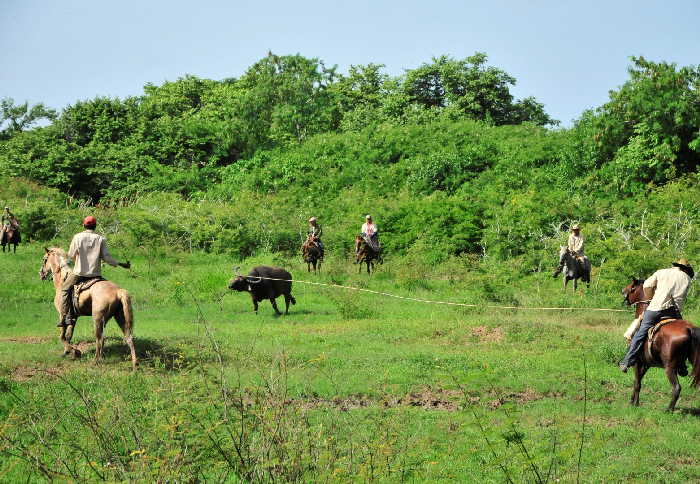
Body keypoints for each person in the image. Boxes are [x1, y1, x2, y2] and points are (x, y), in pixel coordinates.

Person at [619, 258, 694, 373]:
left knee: (641, 332)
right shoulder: (687, 278)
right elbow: (681, 297)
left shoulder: (661, 272)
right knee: (685, 335)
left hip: (656, 308)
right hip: (674, 311)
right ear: (685, 269)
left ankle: (627, 361)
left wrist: (651, 298)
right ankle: (682, 365)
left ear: (676, 265)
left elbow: (647, 286)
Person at [58, 215, 130, 327]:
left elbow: (71, 255)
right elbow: (106, 258)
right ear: (95, 226)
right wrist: (120, 264)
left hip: (79, 273)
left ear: (83, 225)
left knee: (64, 290)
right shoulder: (101, 239)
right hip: (95, 275)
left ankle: (65, 317)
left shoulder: (77, 237)